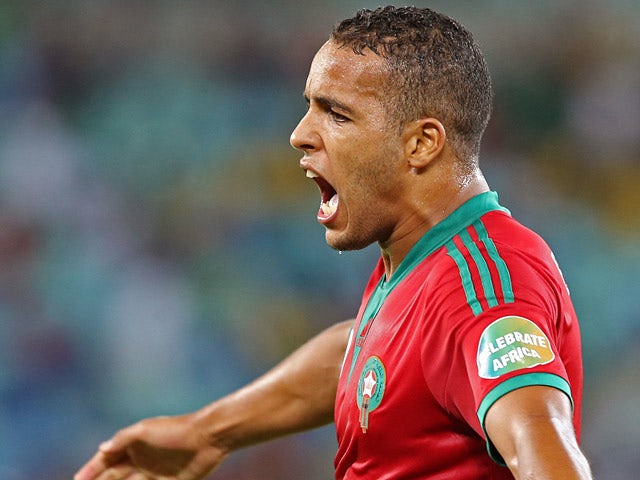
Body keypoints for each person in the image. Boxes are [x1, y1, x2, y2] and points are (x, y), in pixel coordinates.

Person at [75, 6, 593, 480]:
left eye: (336, 114)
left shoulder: (482, 290)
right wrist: (209, 431)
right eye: (309, 107)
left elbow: (546, 457)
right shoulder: (423, 257)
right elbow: (375, 351)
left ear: (420, 143)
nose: (300, 134)